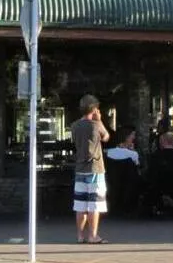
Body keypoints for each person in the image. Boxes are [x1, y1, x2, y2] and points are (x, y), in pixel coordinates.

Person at [71, 94, 110, 244]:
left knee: (80, 204)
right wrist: (99, 120)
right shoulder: (95, 125)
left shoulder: (74, 126)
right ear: (94, 109)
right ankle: (93, 236)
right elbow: (106, 137)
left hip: (80, 168)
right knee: (94, 204)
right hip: (95, 168)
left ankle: (80, 235)